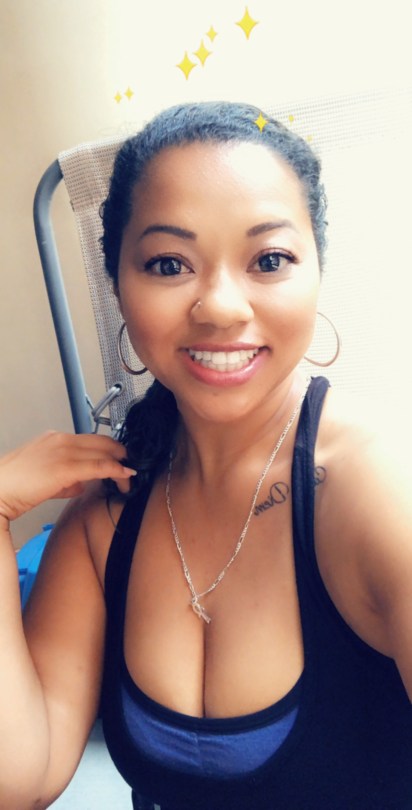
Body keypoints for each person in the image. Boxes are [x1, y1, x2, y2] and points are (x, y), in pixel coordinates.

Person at [0, 101, 411, 810]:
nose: (220, 307)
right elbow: (21, 779)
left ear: (317, 273)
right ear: (120, 286)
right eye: (169, 264)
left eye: (269, 260)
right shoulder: (106, 519)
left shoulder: (378, 493)